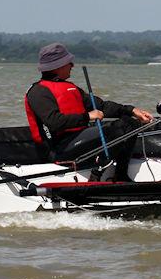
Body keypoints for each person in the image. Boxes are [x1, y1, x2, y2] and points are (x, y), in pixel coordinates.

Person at [24, 43, 153, 181]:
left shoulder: (71, 88)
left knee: (129, 123)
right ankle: (95, 176)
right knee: (116, 129)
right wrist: (88, 116)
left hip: (79, 140)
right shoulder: (38, 92)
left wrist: (132, 110)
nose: (72, 65)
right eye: (69, 62)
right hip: (58, 149)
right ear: (58, 66)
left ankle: (121, 175)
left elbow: (102, 106)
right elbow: (55, 122)